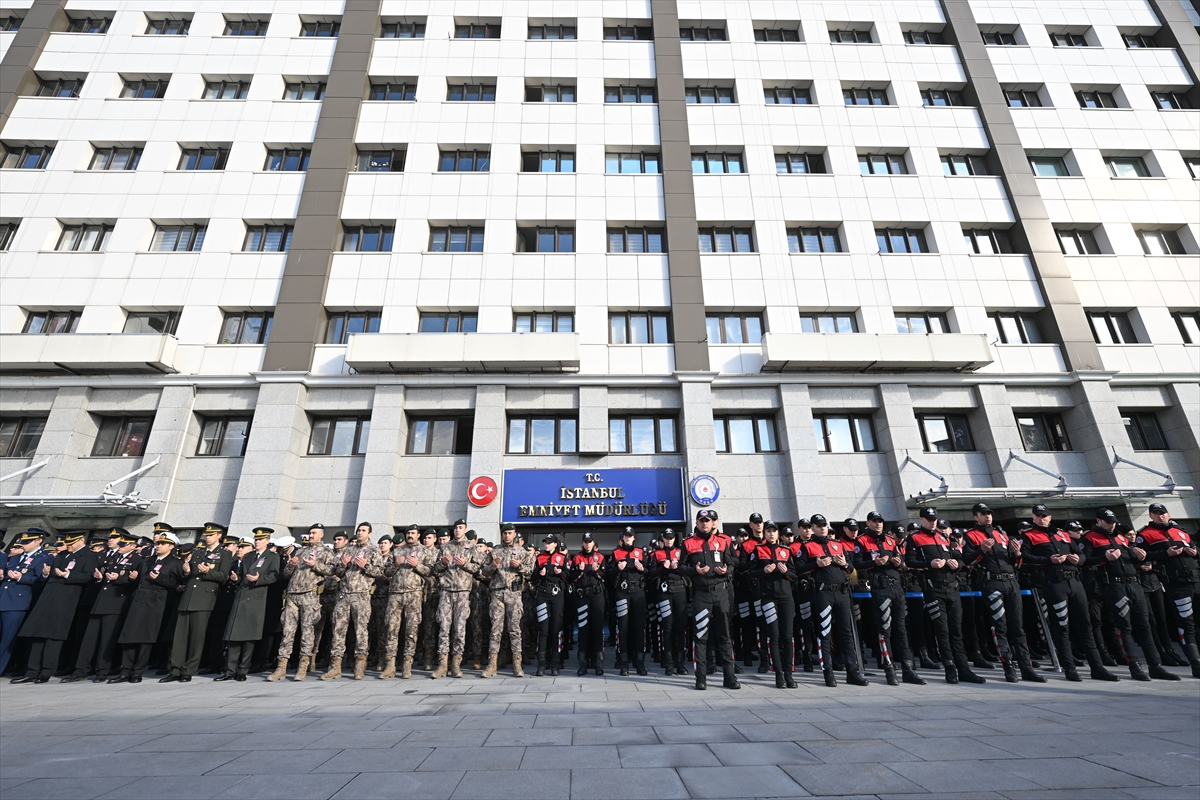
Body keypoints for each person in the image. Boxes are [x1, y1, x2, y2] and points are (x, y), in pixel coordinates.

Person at [1019, 506, 1119, 682]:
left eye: (1044, 516)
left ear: (1050, 517)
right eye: (1038, 516)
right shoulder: (1028, 535)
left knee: (1085, 625)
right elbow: (1024, 558)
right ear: (1034, 517)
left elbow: (1081, 553)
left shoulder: (1063, 534)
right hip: (1054, 583)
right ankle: (1069, 668)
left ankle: (1097, 667)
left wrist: (1078, 559)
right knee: (1061, 626)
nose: (1042, 519)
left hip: (1075, 582)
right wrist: (1048, 560)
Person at [1082, 509, 1180, 681]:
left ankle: (1155, 666)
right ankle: (1134, 666)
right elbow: (1084, 561)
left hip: (1135, 584)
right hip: (1115, 585)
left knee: (1145, 625)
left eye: (1113, 521)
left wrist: (1140, 557)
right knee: (1125, 628)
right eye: (1107, 521)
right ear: (1098, 521)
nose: (1111, 524)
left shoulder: (1120, 537)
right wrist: (1104, 557)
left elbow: (1130, 559)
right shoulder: (1090, 537)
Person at [963, 505, 1043, 683]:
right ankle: (1008, 667)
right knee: (1000, 627)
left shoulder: (1002, 533)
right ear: (976, 517)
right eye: (983, 514)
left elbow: (1016, 563)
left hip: (1011, 582)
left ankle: (1026, 667)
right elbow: (967, 562)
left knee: (1018, 627)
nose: (987, 517)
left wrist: (1016, 553)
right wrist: (981, 550)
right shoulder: (970, 535)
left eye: (989, 513)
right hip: (992, 583)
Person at [906, 516, 985, 684]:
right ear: (922, 520)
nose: (932, 522)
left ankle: (964, 669)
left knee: (957, 630)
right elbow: (910, 562)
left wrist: (957, 563)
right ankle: (950, 669)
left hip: (952, 588)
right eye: (928, 519)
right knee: (942, 631)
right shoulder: (914, 538)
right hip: (933, 589)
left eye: (934, 519)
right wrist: (929, 564)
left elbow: (962, 559)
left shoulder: (946, 537)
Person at [13, 531, 97, 684]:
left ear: (82, 540)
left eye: (72, 543)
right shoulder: (62, 555)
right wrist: (46, 574)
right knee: (37, 634)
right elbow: (51, 574)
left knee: (54, 637)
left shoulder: (88, 555)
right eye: (68, 543)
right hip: (48, 597)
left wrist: (67, 575)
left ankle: (46, 671)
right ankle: (32, 671)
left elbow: (88, 576)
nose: (69, 545)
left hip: (65, 600)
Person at [853, 513, 925, 686]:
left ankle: (908, 670)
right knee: (884, 630)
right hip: (880, 589)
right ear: (868, 523)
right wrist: (874, 563)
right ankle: (889, 669)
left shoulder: (890, 540)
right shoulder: (861, 541)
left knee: (902, 628)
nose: (878, 524)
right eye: (875, 521)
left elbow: (901, 561)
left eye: (880, 521)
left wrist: (897, 561)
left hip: (897, 588)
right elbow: (856, 564)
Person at [796, 514, 867, 687]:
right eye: (818, 526)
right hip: (823, 593)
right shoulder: (807, 547)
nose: (822, 528)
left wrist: (844, 564)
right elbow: (797, 568)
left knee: (846, 632)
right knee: (825, 633)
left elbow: (851, 568)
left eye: (824, 525)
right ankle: (827, 673)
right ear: (812, 528)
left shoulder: (838, 545)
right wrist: (816, 565)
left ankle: (852, 671)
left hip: (842, 593)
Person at [67, 528, 142, 682]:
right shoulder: (114, 558)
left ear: (133, 546)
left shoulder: (137, 560)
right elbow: (104, 576)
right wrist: (100, 577)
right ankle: (81, 670)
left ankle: (102, 671)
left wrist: (122, 579)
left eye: (124, 544)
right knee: (89, 639)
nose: (120, 546)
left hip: (117, 603)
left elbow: (135, 582)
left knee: (107, 640)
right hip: (101, 601)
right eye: (120, 544)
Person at [161, 523, 233, 683]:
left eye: (211, 535)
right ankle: (175, 669)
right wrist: (186, 571)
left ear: (218, 536)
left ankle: (188, 670)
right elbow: (189, 576)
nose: (208, 537)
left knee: (196, 637)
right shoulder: (198, 552)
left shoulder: (224, 553)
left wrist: (209, 572)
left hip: (205, 598)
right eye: (206, 535)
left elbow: (223, 576)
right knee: (180, 637)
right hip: (188, 597)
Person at [111, 528, 184, 683]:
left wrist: (161, 578)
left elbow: (177, 584)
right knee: (129, 636)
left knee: (146, 638)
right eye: (158, 543)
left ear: (171, 546)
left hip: (155, 602)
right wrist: (132, 578)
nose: (159, 546)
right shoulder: (147, 561)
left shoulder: (175, 563)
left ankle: (138, 671)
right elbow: (137, 580)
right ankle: (125, 670)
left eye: (163, 543)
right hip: (138, 600)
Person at [1137, 503, 1200, 678]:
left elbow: (1196, 549)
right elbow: (1142, 557)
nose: (1160, 516)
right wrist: (1166, 554)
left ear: (1168, 514)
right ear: (1151, 516)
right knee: (1186, 623)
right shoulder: (1145, 535)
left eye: (1162, 513)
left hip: (1195, 579)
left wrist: (1195, 553)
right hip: (1176, 583)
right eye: (1156, 514)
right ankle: (1196, 664)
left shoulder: (1180, 530)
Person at [681, 509, 739, 691]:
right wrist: (694, 571)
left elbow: (733, 562)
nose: (705, 523)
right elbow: (681, 568)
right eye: (702, 520)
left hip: (721, 593)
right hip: (701, 594)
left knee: (725, 636)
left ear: (713, 522)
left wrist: (727, 570)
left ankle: (729, 677)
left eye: (708, 520)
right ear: (697, 523)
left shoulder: (723, 541)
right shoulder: (688, 543)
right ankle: (701, 678)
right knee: (701, 636)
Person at [270, 524, 336, 681]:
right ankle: (281, 667)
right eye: (310, 532)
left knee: (307, 632)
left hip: (309, 595)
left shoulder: (327, 552)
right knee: (287, 632)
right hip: (293, 595)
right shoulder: (301, 551)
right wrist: (291, 566)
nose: (311, 535)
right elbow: (287, 574)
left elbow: (333, 571)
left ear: (322, 535)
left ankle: (303, 667)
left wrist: (315, 565)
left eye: (314, 533)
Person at [323, 522, 384, 681]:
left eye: (363, 530)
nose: (360, 532)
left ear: (369, 533)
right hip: (344, 595)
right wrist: (342, 565)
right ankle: (335, 666)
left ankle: (360, 665)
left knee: (361, 631)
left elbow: (379, 572)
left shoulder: (374, 550)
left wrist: (366, 566)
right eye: (358, 530)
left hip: (361, 595)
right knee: (338, 630)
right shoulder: (348, 550)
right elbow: (338, 573)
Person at [220, 528, 280, 681]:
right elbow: (241, 576)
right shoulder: (248, 556)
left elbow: (274, 576)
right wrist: (235, 579)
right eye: (256, 539)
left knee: (249, 637)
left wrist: (259, 580)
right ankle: (230, 670)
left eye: (260, 539)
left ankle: (243, 670)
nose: (257, 541)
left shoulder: (272, 557)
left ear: (267, 541)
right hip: (241, 597)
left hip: (256, 599)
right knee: (234, 636)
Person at [379, 524, 435, 679]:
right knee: (392, 629)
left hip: (414, 594)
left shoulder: (425, 551)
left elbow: (431, 571)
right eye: (408, 533)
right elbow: (386, 572)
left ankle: (407, 665)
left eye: (413, 533)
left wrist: (417, 565)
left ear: (418, 535)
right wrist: (396, 565)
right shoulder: (396, 551)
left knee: (412, 630)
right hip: (395, 594)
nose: (410, 535)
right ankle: (390, 665)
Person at [480, 523, 534, 677]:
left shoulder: (522, 552)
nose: (507, 536)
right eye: (505, 533)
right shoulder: (495, 551)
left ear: (514, 534)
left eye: (510, 533)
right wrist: (493, 566)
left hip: (514, 594)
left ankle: (517, 664)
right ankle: (492, 664)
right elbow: (484, 572)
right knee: (495, 630)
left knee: (515, 630)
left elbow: (531, 573)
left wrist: (519, 567)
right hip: (497, 594)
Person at [748, 521, 797, 688]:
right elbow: (750, 574)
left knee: (787, 636)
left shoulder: (786, 550)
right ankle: (779, 675)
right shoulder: (758, 550)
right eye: (768, 531)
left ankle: (789, 674)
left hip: (786, 598)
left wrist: (786, 573)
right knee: (774, 636)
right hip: (768, 598)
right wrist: (764, 571)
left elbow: (794, 576)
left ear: (778, 534)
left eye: (773, 531)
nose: (771, 534)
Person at [430, 522, 482, 678]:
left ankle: (456, 664)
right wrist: (443, 564)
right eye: (456, 528)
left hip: (463, 592)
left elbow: (478, 569)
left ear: (465, 529)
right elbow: (435, 569)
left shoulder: (472, 546)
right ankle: (442, 664)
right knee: (444, 628)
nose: (457, 530)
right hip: (446, 592)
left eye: (460, 528)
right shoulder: (446, 547)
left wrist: (465, 564)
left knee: (460, 629)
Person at [0, 529, 53, 677]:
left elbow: (40, 579)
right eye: (22, 541)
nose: (23, 544)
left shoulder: (43, 557)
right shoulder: (16, 557)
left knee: (7, 639)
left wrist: (21, 578)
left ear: (38, 542)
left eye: (27, 542)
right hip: (3, 597)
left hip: (18, 602)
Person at [608, 526, 649, 676]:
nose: (628, 538)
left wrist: (642, 569)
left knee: (639, 629)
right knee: (623, 628)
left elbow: (649, 572)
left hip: (638, 592)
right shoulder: (616, 552)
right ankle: (624, 664)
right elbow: (608, 574)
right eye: (626, 536)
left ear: (634, 538)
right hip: (622, 593)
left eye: (630, 536)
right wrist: (618, 569)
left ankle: (640, 663)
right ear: (623, 538)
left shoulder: (640, 552)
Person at [649, 528, 688, 676]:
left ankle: (681, 664)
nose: (669, 540)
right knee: (667, 628)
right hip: (664, 594)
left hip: (680, 592)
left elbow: (688, 569)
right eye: (666, 538)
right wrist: (661, 568)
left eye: (671, 538)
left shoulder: (680, 552)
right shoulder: (656, 554)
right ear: (663, 539)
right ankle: (669, 664)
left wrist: (678, 568)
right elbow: (650, 574)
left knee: (680, 628)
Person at [571, 532, 607, 675]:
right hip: (582, 597)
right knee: (583, 629)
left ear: (593, 543)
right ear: (582, 543)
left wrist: (597, 571)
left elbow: (606, 576)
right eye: (585, 541)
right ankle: (583, 664)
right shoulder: (577, 558)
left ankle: (598, 664)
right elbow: (571, 578)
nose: (587, 544)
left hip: (597, 596)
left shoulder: (601, 557)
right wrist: (579, 571)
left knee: (597, 629)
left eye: (590, 541)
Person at [532, 534, 568, 676]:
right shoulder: (539, 557)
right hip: (542, 594)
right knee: (543, 630)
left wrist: (561, 573)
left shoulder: (562, 558)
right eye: (545, 542)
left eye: (549, 542)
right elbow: (532, 577)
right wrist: (540, 574)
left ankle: (555, 665)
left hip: (557, 594)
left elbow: (570, 576)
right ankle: (541, 665)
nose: (547, 545)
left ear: (555, 544)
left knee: (555, 630)